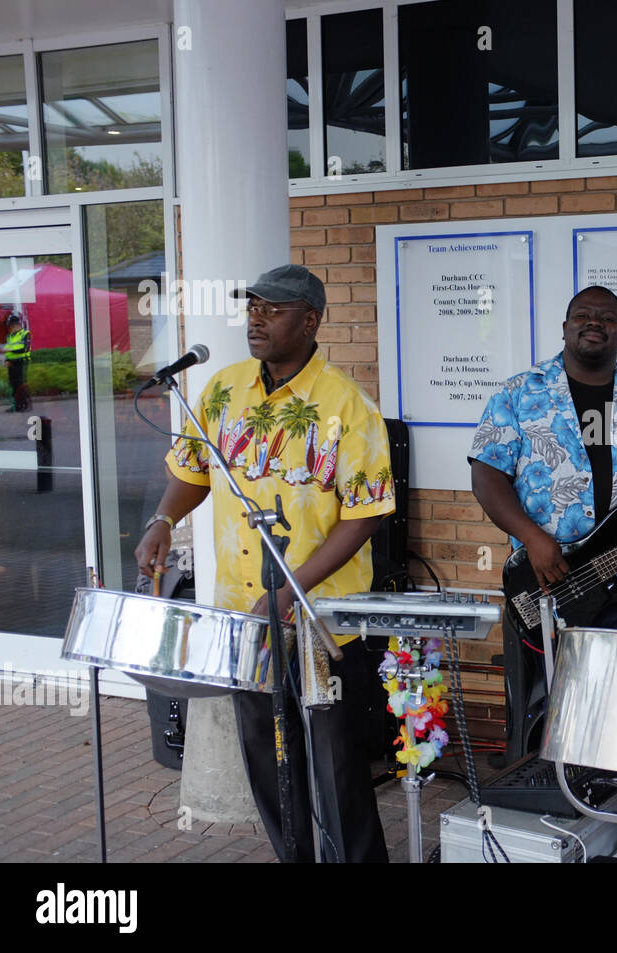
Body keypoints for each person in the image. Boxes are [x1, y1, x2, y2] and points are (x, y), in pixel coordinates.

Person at [133, 264, 395, 863]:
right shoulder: (222, 388)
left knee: (335, 770)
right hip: (243, 621)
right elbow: (190, 471)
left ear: (311, 321)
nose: (256, 318)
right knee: (267, 762)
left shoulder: (348, 407)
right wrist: (162, 520)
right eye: (251, 306)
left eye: (272, 309)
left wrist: (290, 590)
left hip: (318, 622)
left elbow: (366, 514)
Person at [468, 285, 617, 824]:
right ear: (565, 327)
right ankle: (571, 826)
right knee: (565, 715)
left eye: (607, 318)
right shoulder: (520, 394)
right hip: (553, 587)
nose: (594, 323)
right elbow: (486, 475)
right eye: (582, 315)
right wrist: (534, 538)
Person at [4, 313, 30, 412]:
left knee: (20, 385)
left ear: (18, 325)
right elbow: (6, 349)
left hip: (21, 362)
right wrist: (6, 360)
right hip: (11, 363)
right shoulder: (9, 337)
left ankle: (24, 405)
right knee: (13, 385)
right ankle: (15, 406)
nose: (12, 327)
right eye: (10, 325)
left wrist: (9, 349)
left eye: (14, 325)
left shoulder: (25, 334)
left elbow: (23, 348)